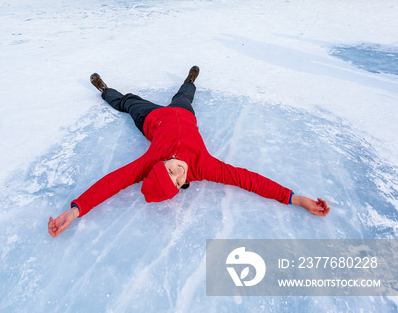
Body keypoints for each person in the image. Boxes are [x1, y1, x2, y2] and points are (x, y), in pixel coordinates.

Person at [48, 67, 330, 237]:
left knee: (135, 102)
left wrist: (76, 210)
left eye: (169, 170)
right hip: (182, 116)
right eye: (177, 179)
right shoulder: (205, 167)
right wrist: (298, 200)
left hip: (153, 117)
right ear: (184, 184)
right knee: (168, 100)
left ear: (160, 164)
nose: (178, 170)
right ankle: (174, 84)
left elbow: (112, 182)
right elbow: (249, 180)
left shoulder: (149, 162)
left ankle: (175, 81)